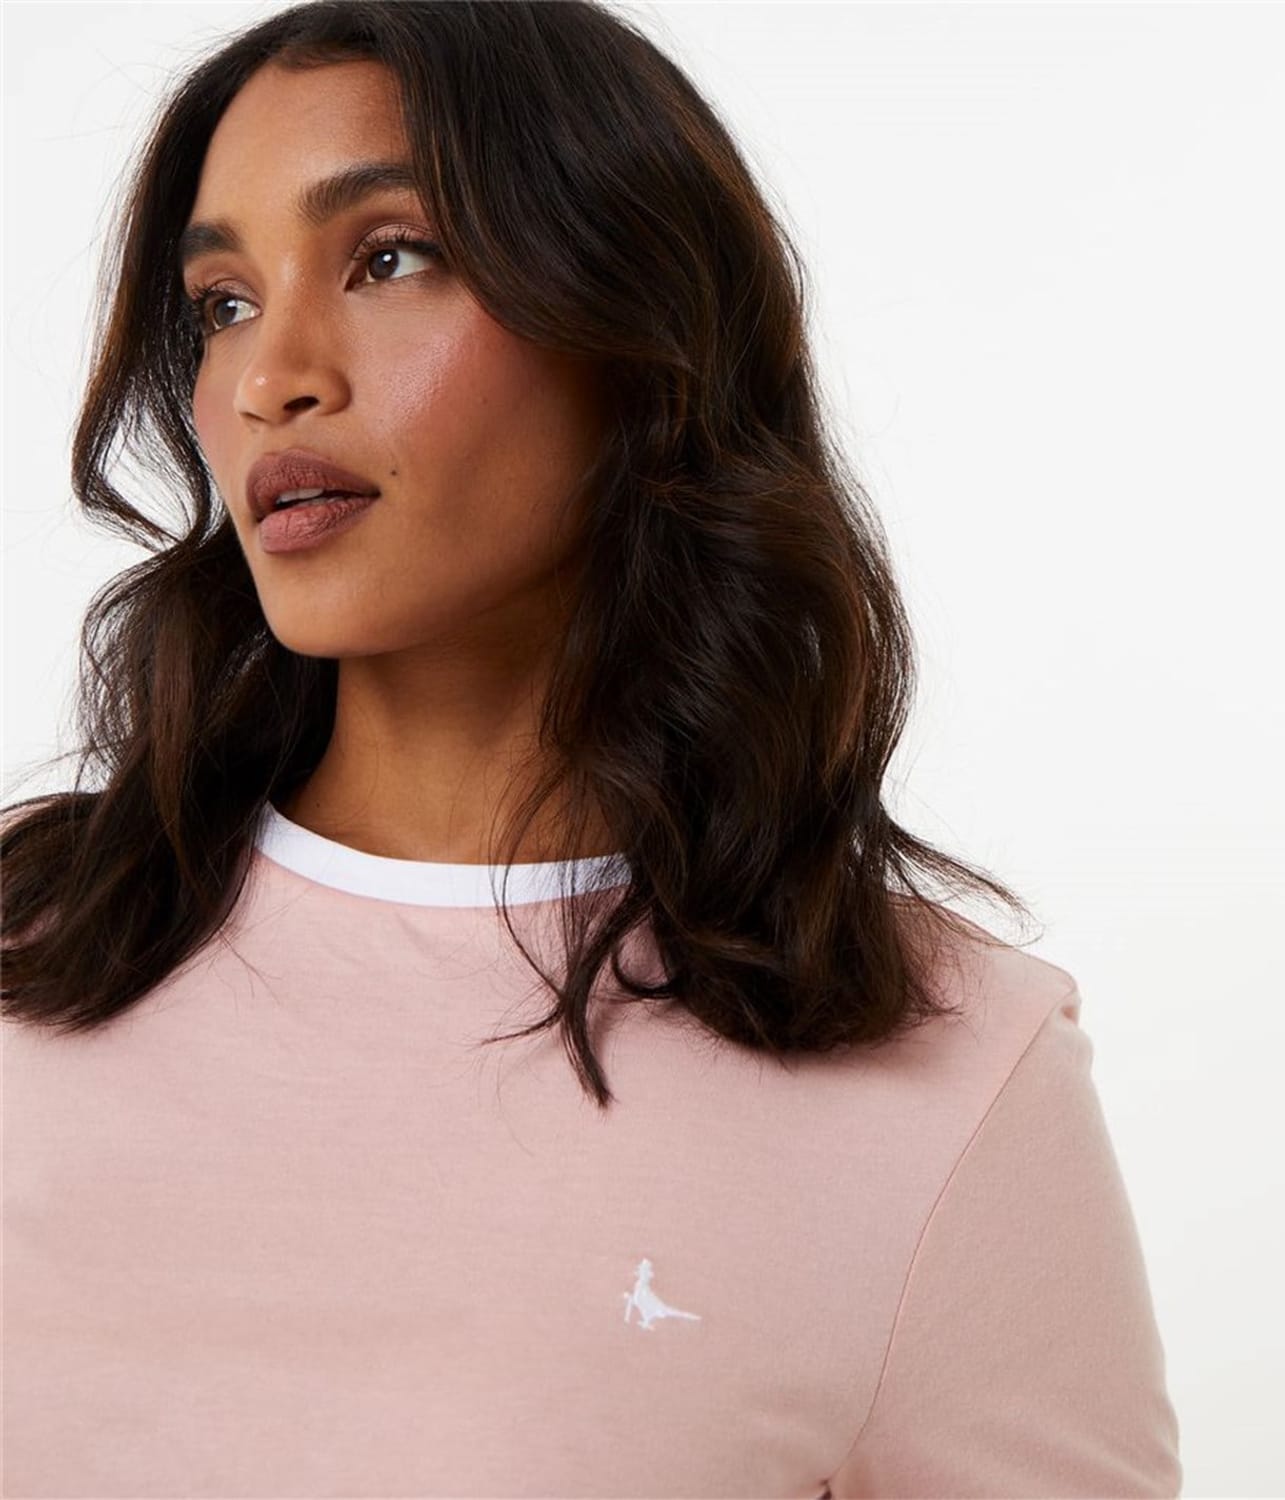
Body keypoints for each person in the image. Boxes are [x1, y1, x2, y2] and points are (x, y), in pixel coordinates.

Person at [0, 2, 1183, 1494]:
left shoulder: (948, 1071)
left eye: (389, 259)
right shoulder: (31, 942)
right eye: (224, 301)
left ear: (638, 335)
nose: (267, 377)